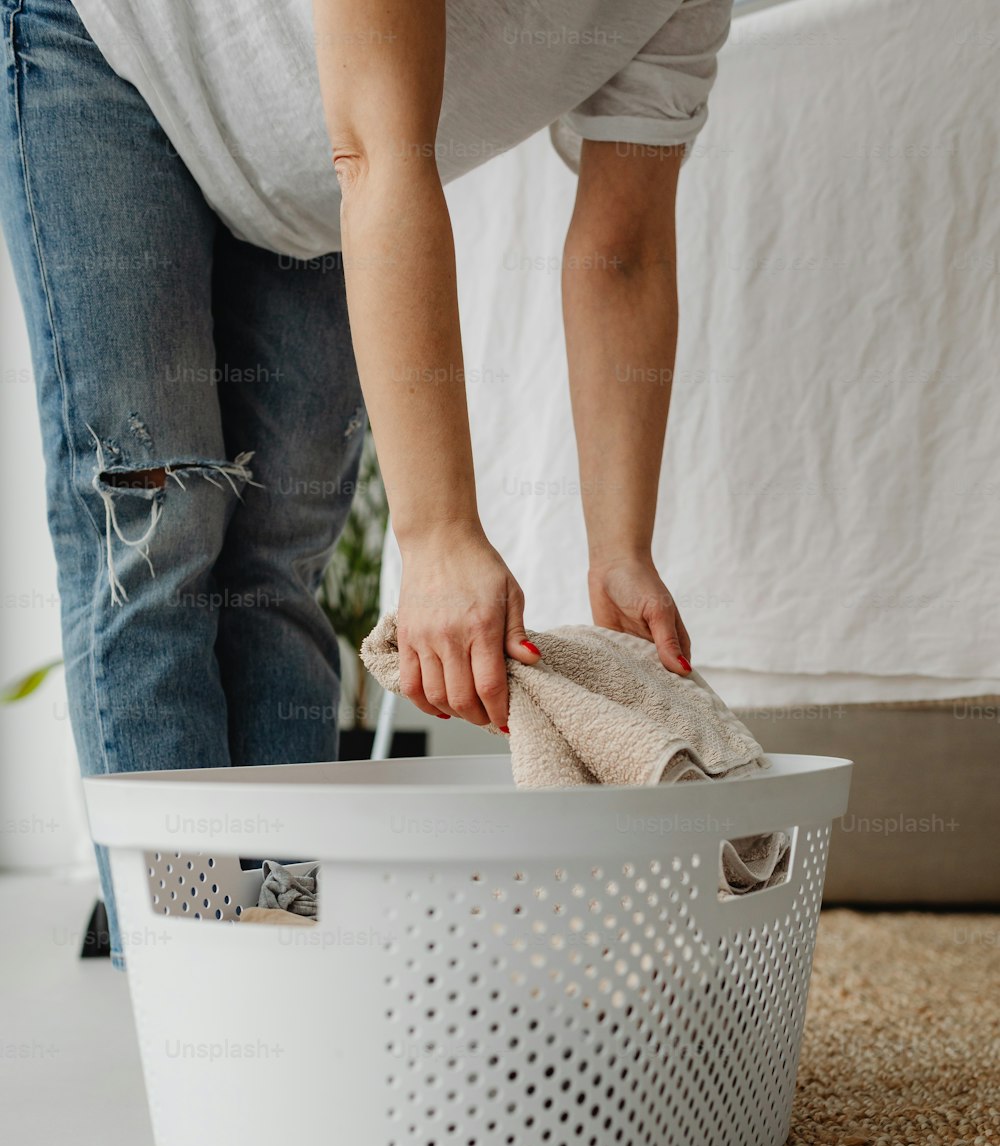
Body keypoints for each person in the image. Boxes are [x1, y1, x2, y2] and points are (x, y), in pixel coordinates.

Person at [0, 0, 732, 963]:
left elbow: (624, 252)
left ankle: (271, 949)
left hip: (305, 168)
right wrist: (438, 536)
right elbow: (380, 154)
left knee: (278, 560)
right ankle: (192, 964)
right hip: (114, 49)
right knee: (153, 530)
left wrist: (620, 548)